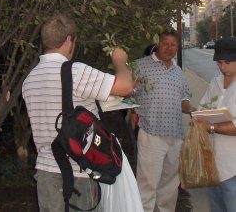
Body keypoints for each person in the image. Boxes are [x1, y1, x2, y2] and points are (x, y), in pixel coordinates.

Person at [22, 14, 133, 211]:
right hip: (77, 177)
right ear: (69, 40)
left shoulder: (30, 79)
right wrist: (120, 62)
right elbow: (125, 87)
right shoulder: (75, 71)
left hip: (46, 176)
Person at [133, 30, 193, 212]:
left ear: (177, 47)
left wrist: (193, 111)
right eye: (165, 43)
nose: (168, 48)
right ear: (158, 43)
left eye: (172, 44)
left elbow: (184, 100)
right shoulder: (140, 66)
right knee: (147, 185)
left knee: (169, 187)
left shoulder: (178, 72)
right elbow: (127, 92)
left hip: (175, 136)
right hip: (151, 134)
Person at [193, 37, 236, 212]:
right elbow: (203, 108)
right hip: (213, 165)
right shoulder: (215, 82)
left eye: (227, 62)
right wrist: (197, 117)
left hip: (233, 168)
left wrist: (212, 127)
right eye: (219, 62)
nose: (222, 67)